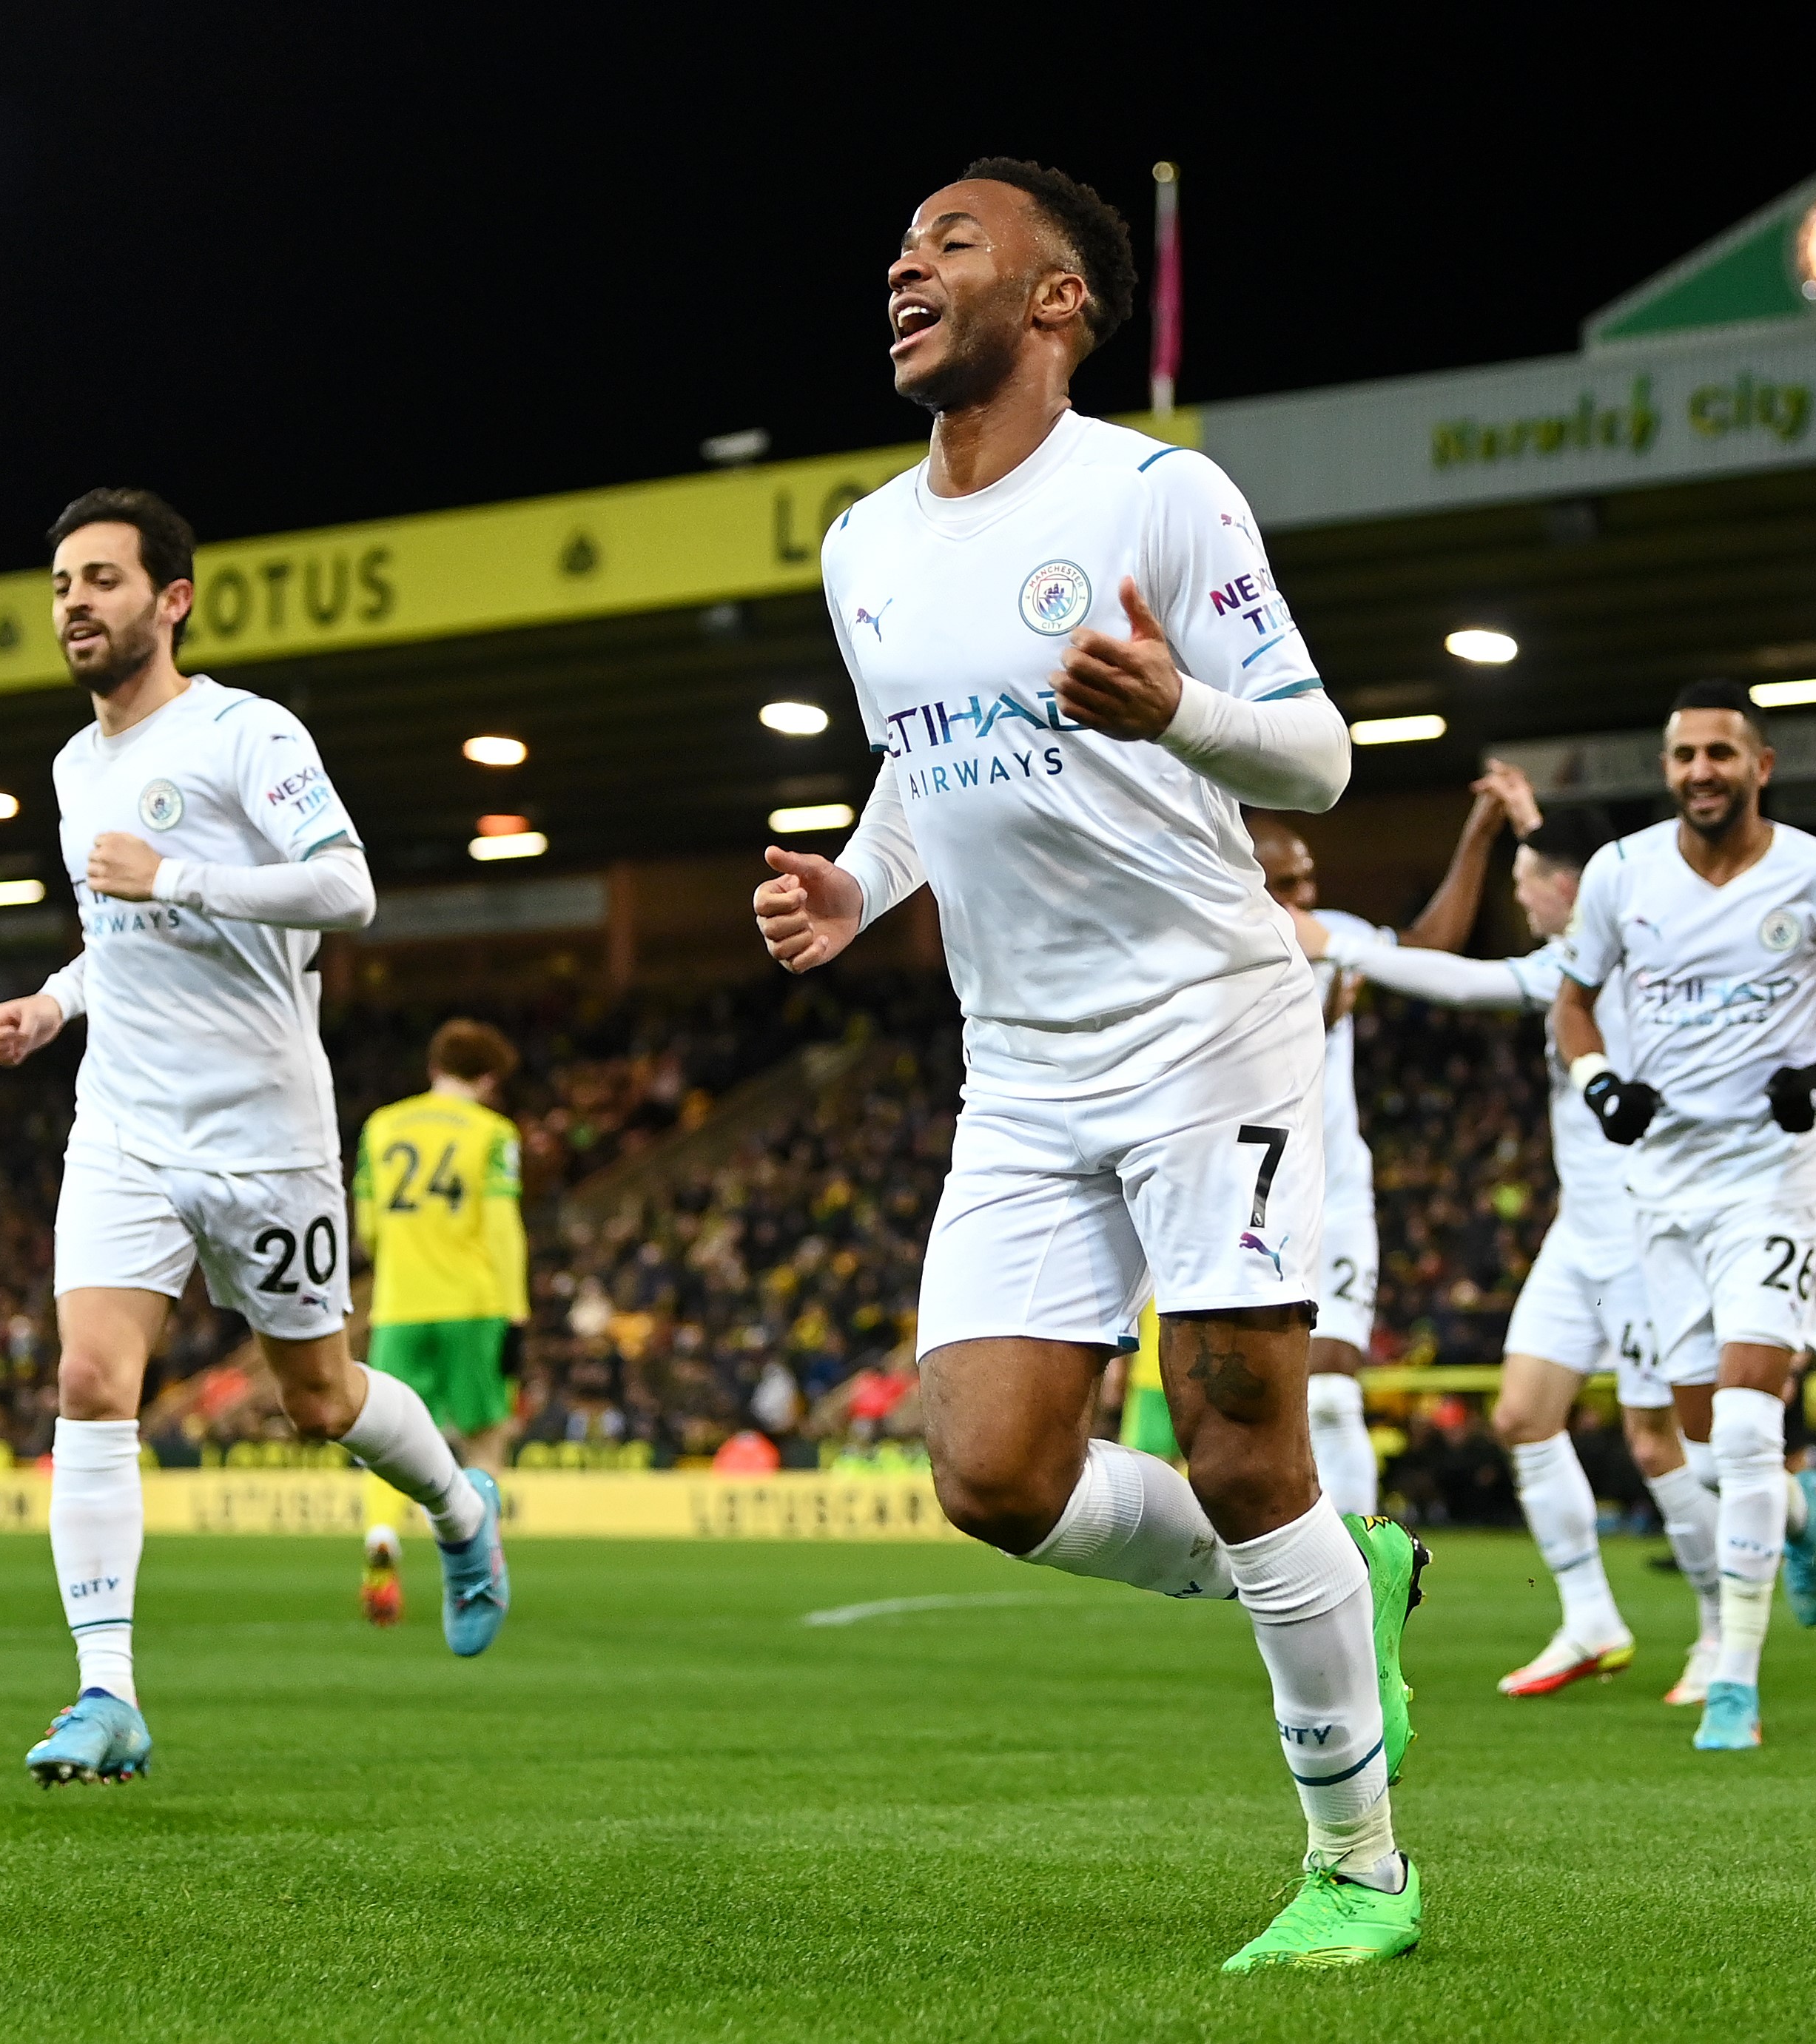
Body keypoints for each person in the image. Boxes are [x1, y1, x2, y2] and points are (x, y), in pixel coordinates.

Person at [750, 158, 1422, 1971]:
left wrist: (1176, 709)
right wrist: (856, 878)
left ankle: (1355, 1862)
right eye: (895, 245)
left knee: (1232, 1434)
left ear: (1056, 301)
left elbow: (1318, 758)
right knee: (988, 1471)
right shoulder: (860, 542)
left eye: (949, 244)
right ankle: (1334, 1573)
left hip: (1208, 1015)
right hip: (1019, 1058)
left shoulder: (1156, 496)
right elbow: (920, 749)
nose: (903, 266)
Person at [0, 488, 507, 1787]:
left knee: (317, 1399)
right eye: (59, 585)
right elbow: (115, 938)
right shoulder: (69, 767)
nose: (75, 604)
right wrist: (53, 1002)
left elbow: (347, 886)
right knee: (93, 1382)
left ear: (171, 599)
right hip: (125, 1126)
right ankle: (107, 1692)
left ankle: (457, 1506)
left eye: (101, 579)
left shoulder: (244, 733)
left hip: (265, 1131)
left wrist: (180, 876)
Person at [1295, 778, 1733, 1707]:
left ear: (1565, 887)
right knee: (1524, 1415)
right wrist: (1526, 825)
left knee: (1657, 1443)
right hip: (1583, 1230)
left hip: (1645, 1228)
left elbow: (1468, 977)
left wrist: (1339, 944)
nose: (1521, 899)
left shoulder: (1603, 959)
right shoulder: (1587, 937)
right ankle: (1591, 1618)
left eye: (1530, 880)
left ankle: (1723, 1631)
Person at [1553, 679, 1816, 1752]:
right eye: (1682, 757)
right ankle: (1801, 1513)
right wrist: (1598, 1082)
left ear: (1761, 765)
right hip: (1660, 1188)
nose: (1699, 772)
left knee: (1748, 1424)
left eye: (1720, 753)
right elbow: (1573, 998)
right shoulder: (1619, 874)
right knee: (1712, 1454)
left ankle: (1734, 1684)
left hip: (1770, 1176)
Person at [1251, 780, 1512, 1514]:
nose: (1307, 894)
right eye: (1287, 883)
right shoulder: (1207, 952)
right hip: (1250, 1193)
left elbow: (1432, 949)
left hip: (1333, 1187)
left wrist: (1479, 835)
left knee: (1332, 1395)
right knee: (1260, 1402)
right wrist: (1307, 1012)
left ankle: (1367, 1578)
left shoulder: (1328, 935)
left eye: (1308, 877)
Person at [352, 1018, 531, 1625]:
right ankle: (480, 1564)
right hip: (475, 1303)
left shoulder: (382, 1126)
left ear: (433, 1068)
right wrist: (517, 1313)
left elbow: (368, 1227)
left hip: (398, 1306)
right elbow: (503, 1230)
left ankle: (382, 1535)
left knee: (384, 1438)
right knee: (485, 1433)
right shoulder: (494, 1133)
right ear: (486, 1078)